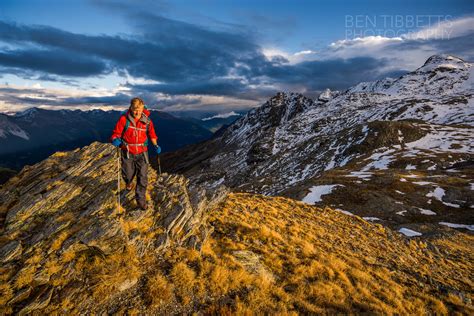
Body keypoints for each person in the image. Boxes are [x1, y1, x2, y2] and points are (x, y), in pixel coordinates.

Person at [110, 97, 161, 210]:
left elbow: (152, 135)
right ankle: (128, 183)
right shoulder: (124, 119)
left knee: (142, 177)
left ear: (143, 108)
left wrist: (156, 145)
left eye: (139, 109)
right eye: (134, 109)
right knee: (128, 175)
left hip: (143, 153)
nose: (136, 112)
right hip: (128, 151)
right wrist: (115, 139)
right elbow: (115, 133)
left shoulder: (147, 121)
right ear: (130, 108)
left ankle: (140, 201)